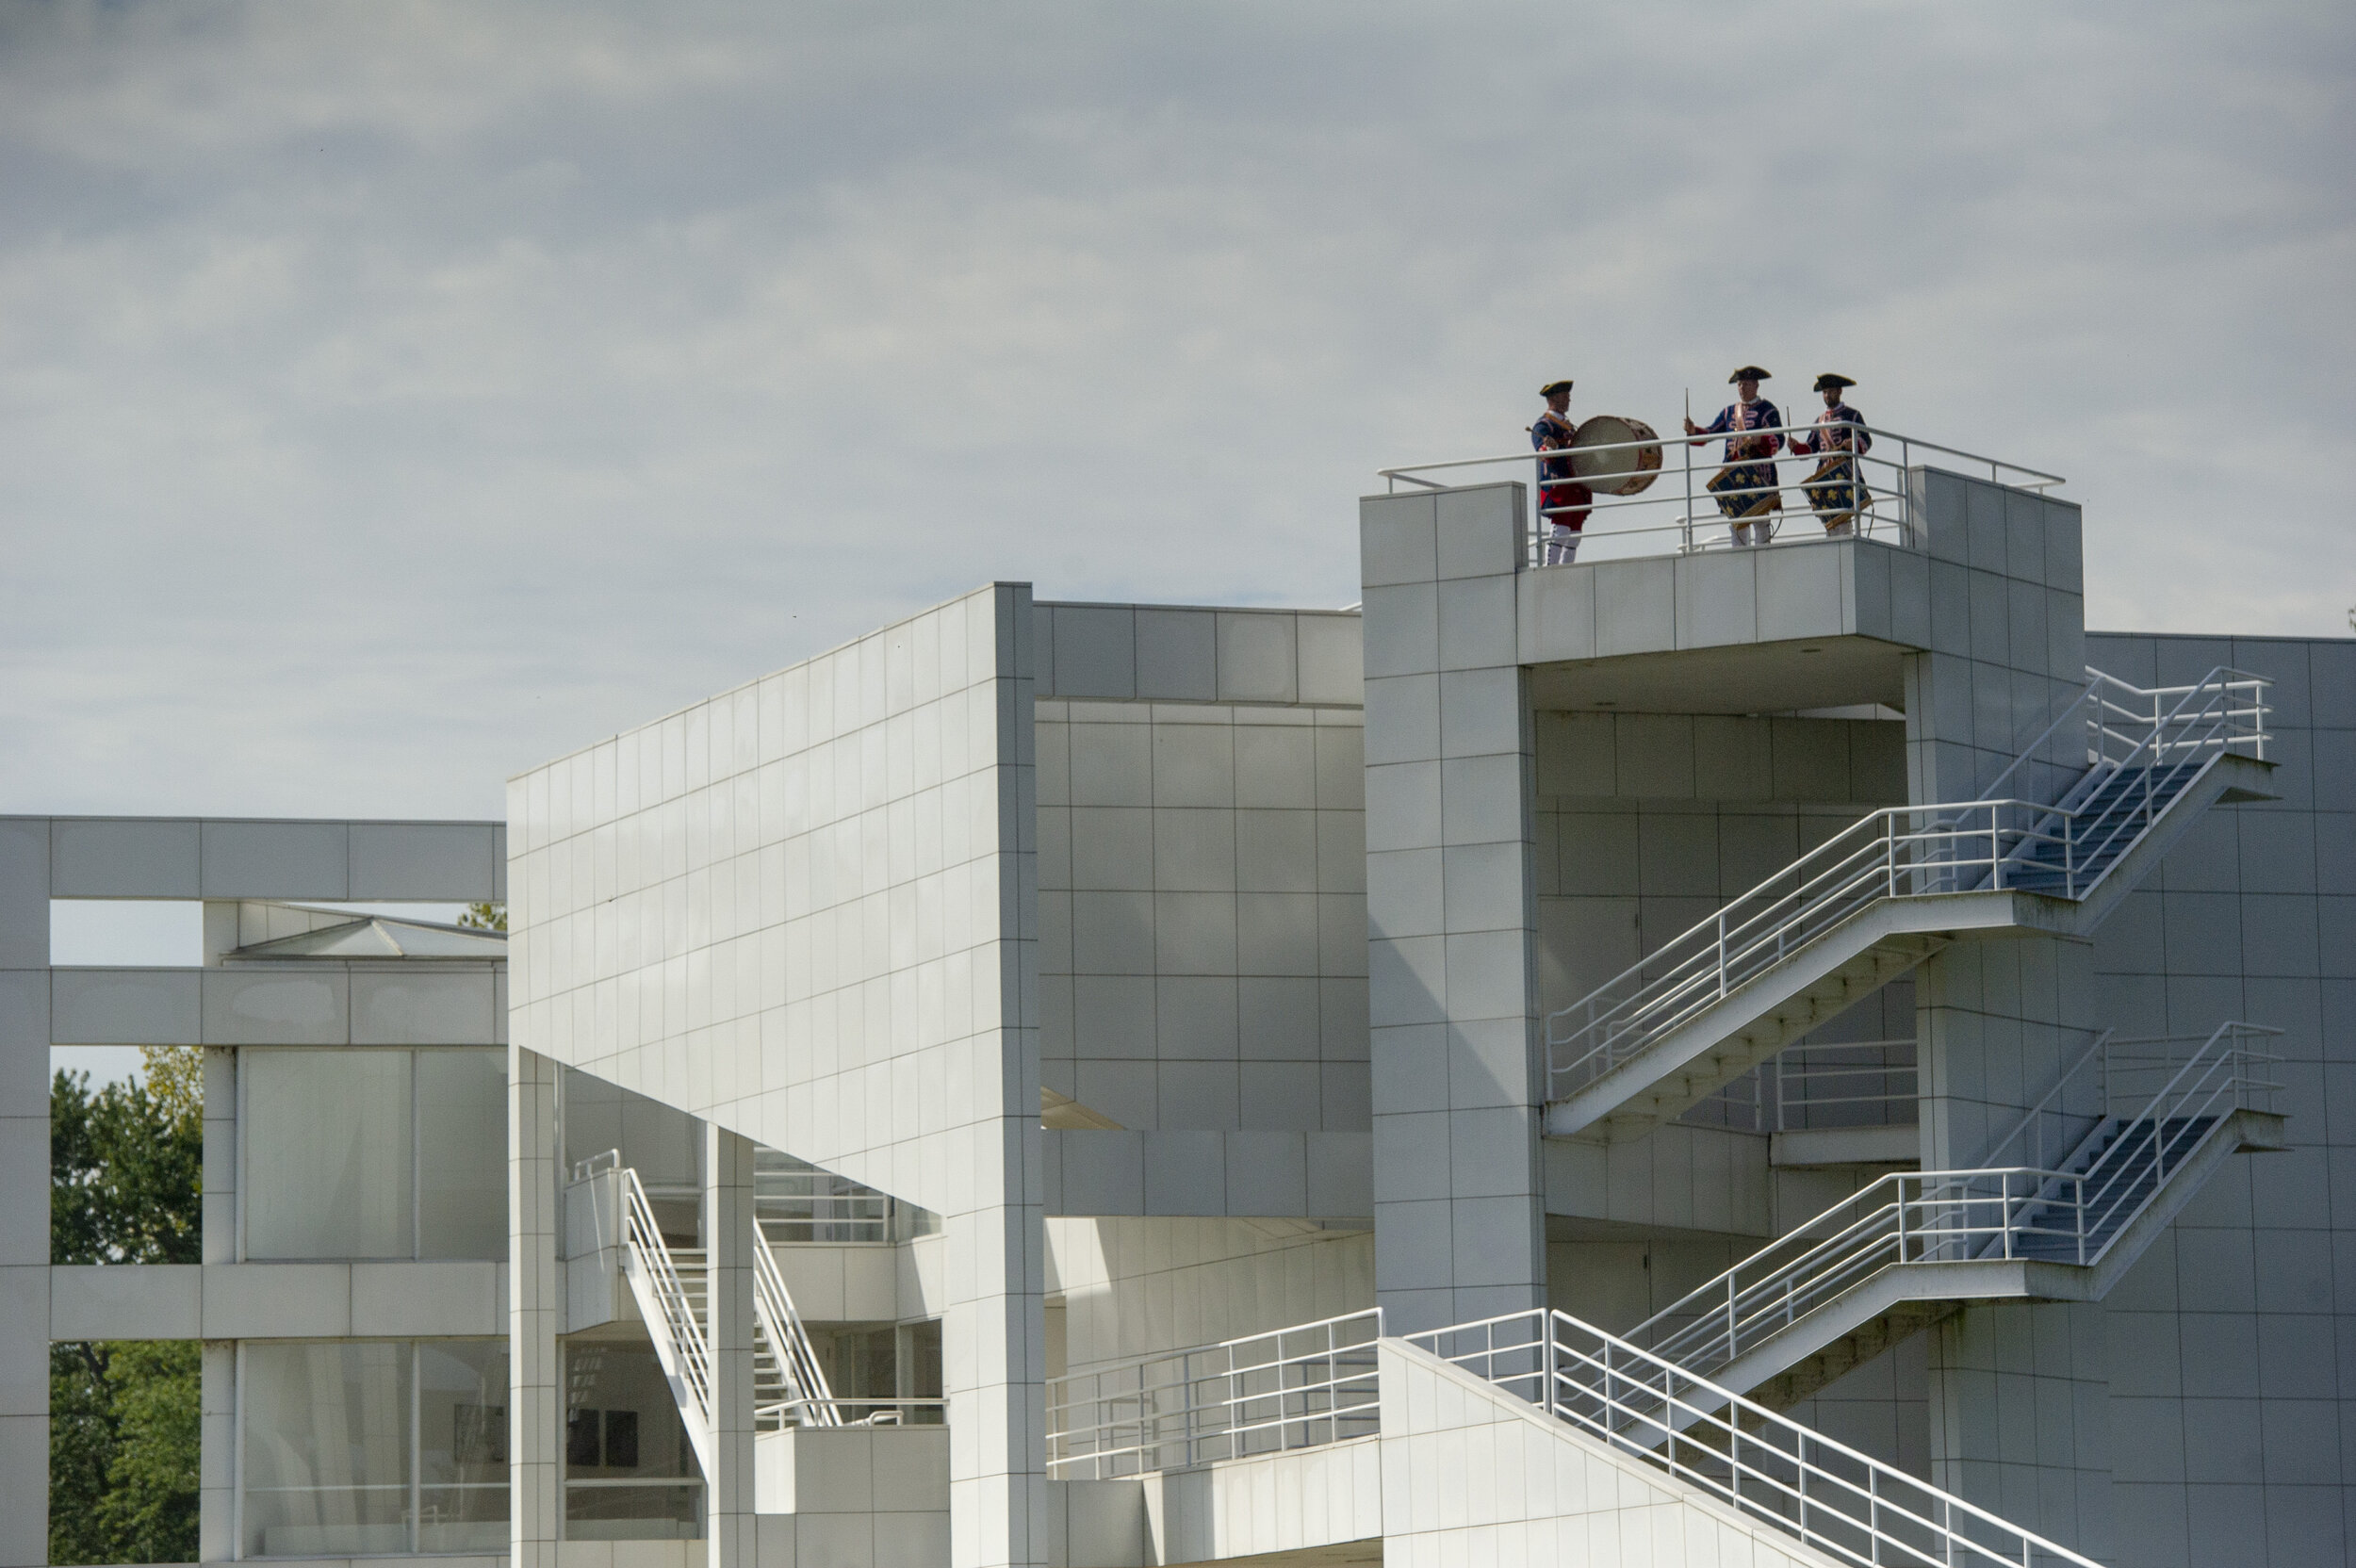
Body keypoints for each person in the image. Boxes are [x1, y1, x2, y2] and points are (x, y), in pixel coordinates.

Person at [1683, 366, 1783, 546]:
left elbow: (1779, 439)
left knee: (1761, 518)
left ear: (1756, 385)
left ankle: (1764, 553)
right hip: (1734, 472)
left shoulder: (1768, 410)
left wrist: (1761, 439)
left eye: (1745, 384)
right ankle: (1740, 556)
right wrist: (1693, 431)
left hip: (1758, 471)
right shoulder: (1729, 412)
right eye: (1739, 384)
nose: (1742, 388)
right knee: (1737, 520)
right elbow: (1710, 432)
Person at [1789, 373, 1872, 537]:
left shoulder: (1852, 415)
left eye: (1831, 391)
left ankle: (1846, 542)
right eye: (1825, 392)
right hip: (1825, 472)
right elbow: (1811, 447)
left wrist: (1852, 443)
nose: (1827, 396)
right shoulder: (1819, 421)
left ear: (1839, 391)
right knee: (1829, 518)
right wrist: (1796, 446)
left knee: (1844, 514)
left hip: (1843, 470)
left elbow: (1866, 441)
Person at [1530, 379, 1592, 565]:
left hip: (1574, 483)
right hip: (1559, 484)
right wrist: (1552, 449)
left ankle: (1567, 566)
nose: (1568, 401)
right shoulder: (1544, 425)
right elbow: (1543, 452)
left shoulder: (1569, 427)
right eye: (1565, 396)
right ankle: (1552, 567)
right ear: (1554, 398)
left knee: (1575, 531)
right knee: (1561, 527)